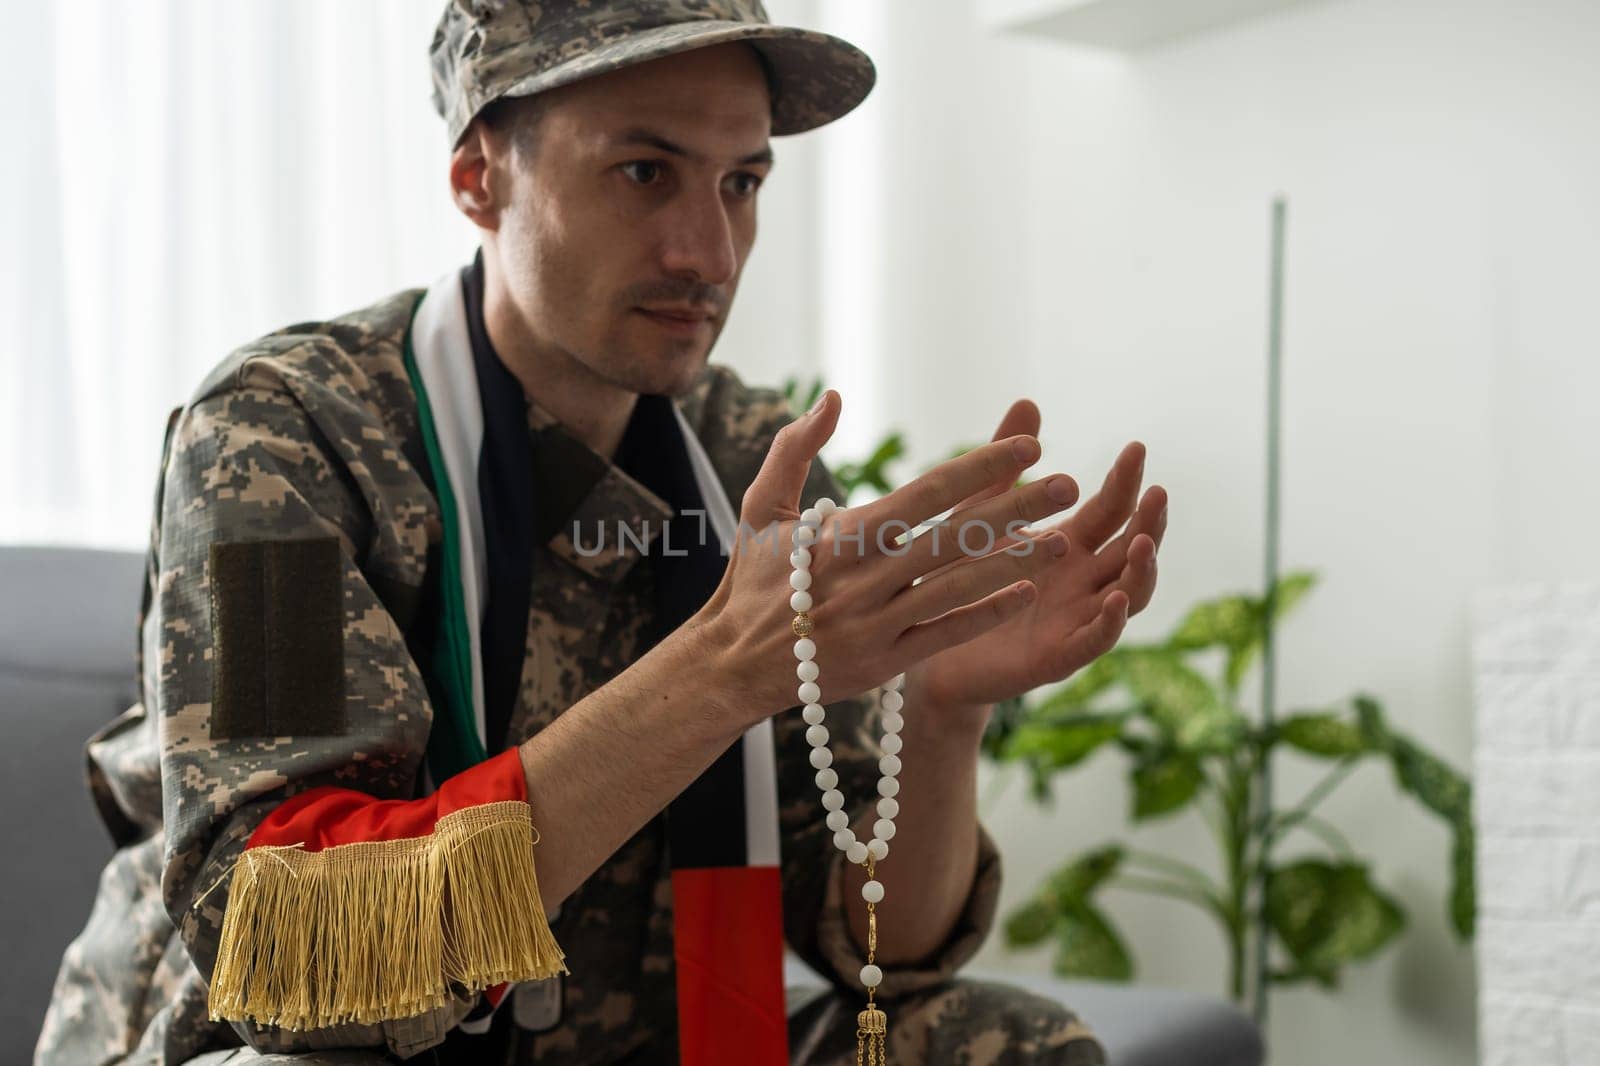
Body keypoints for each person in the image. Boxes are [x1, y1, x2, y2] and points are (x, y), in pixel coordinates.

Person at [36, 2, 1166, 1063]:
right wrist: (717, 674)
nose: (710, 254)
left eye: (741, 181)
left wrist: (943, 705)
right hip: (316, 1044)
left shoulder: (750, 460)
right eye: (644, 171)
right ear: (480, 177)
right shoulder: (280, 435)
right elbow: (285, 945)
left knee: (991, 1037)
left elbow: (876, 950)